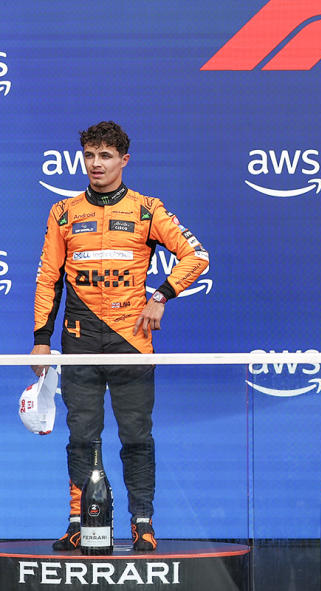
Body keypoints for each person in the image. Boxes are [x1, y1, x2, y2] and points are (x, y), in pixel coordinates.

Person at [31, 121, 210, 551]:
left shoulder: (148, 210)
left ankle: (142, 523)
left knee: (135, 434)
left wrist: (162, 295)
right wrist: (41, 338)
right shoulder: (64, 212)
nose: (96, 164)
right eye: (90, 155)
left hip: (132, 340)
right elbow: (47, 279)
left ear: (123, 160)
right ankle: (80, 522)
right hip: (79, 341)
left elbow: (197, 255)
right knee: (82, 434)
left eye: (105, 155)